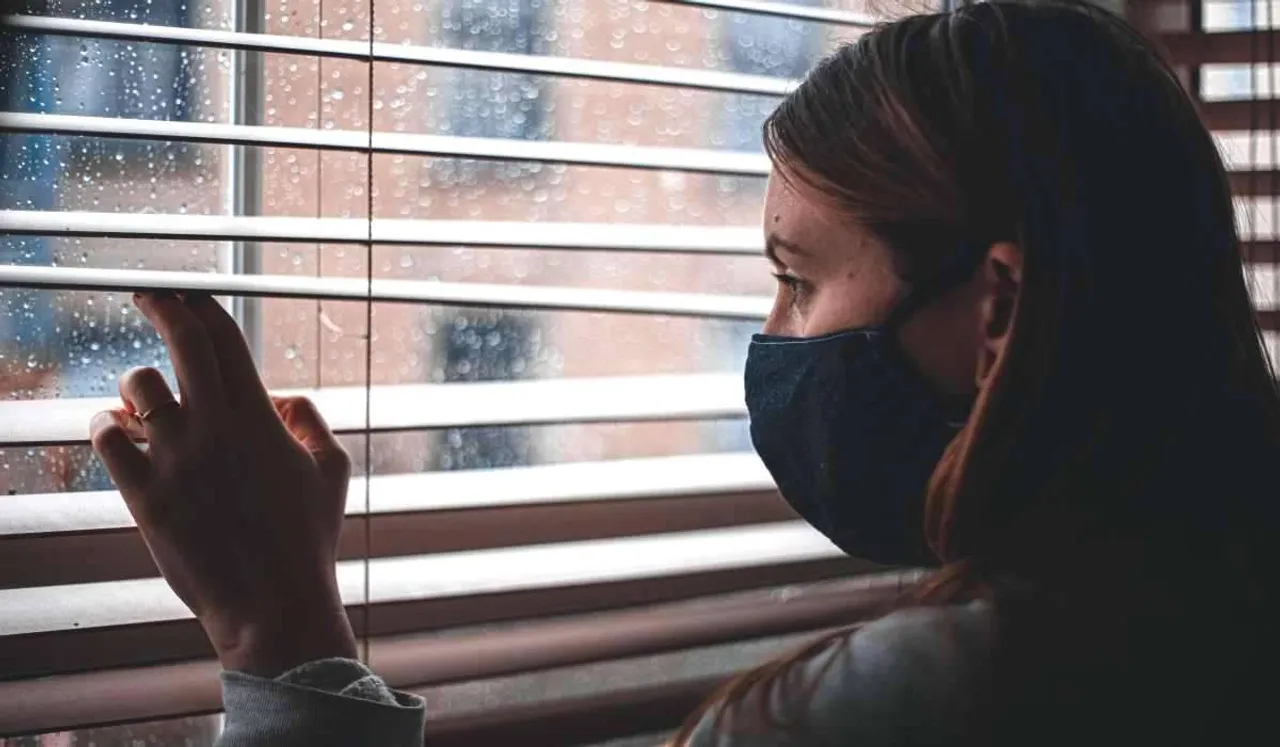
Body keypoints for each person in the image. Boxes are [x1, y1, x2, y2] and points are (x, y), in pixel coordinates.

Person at [88, 1, 1280, 745]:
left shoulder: (917, 705)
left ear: (995, 312)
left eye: (798, 281)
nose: (772, 338)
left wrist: (274, 628)